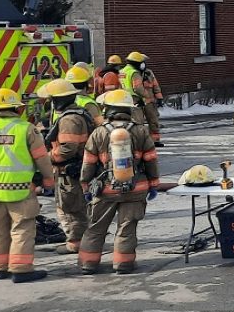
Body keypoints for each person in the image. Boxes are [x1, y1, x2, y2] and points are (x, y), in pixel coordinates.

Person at [0, 88, 54, 282]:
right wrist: (49, 180)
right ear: (17, 109)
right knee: (22, 228)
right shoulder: (26, 129)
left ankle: (0, 267)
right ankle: (21, 269)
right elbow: (41, 158)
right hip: (20, 189)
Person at [78, 89, 159, 274]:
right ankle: (123, 264)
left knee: (96, 227)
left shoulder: (98, 133)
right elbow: (151, 160)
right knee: (127, 228)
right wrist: (153, 184)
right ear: (129, 110)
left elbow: (88, 164)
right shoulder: (140, 131)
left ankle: (88, 264)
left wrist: (86, 187)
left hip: (105, 191)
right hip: (135, 188)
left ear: (108, 110)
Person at [40, 79, 95, 255]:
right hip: (75, 169)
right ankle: (84, 240)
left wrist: (46, 158)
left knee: (71, 208)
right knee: (76, 206)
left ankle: (76, 243)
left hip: (69, 171)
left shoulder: (70, 119)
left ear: (58, 100)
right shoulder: (77, 114)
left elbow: (68, 149)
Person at [120, 51, 163, 146]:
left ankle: (153, 140)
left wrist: (159, 98)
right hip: (138, 100)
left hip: (131, 100)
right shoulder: (134, 73)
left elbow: (155, 85)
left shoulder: (122, 72)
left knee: (150, 120)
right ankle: (139, 142)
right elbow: (138, 88)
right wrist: (148, 96)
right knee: (138, 122)